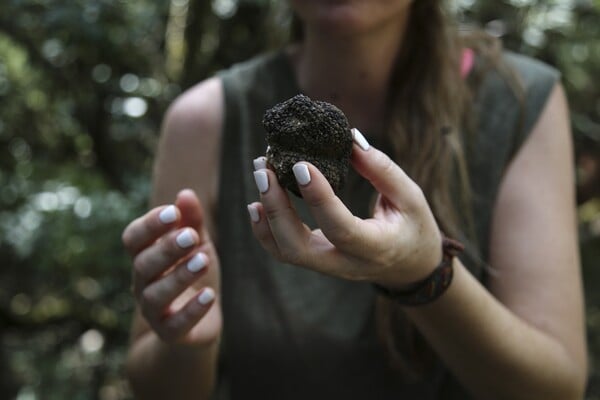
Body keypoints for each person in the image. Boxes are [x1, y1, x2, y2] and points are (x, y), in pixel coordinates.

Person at [121, 0, 587, 398]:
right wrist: (187, 342)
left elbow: (557, 388)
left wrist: (425, 277)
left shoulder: (520, 100)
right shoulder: (203, 122)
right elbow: (155, 383)